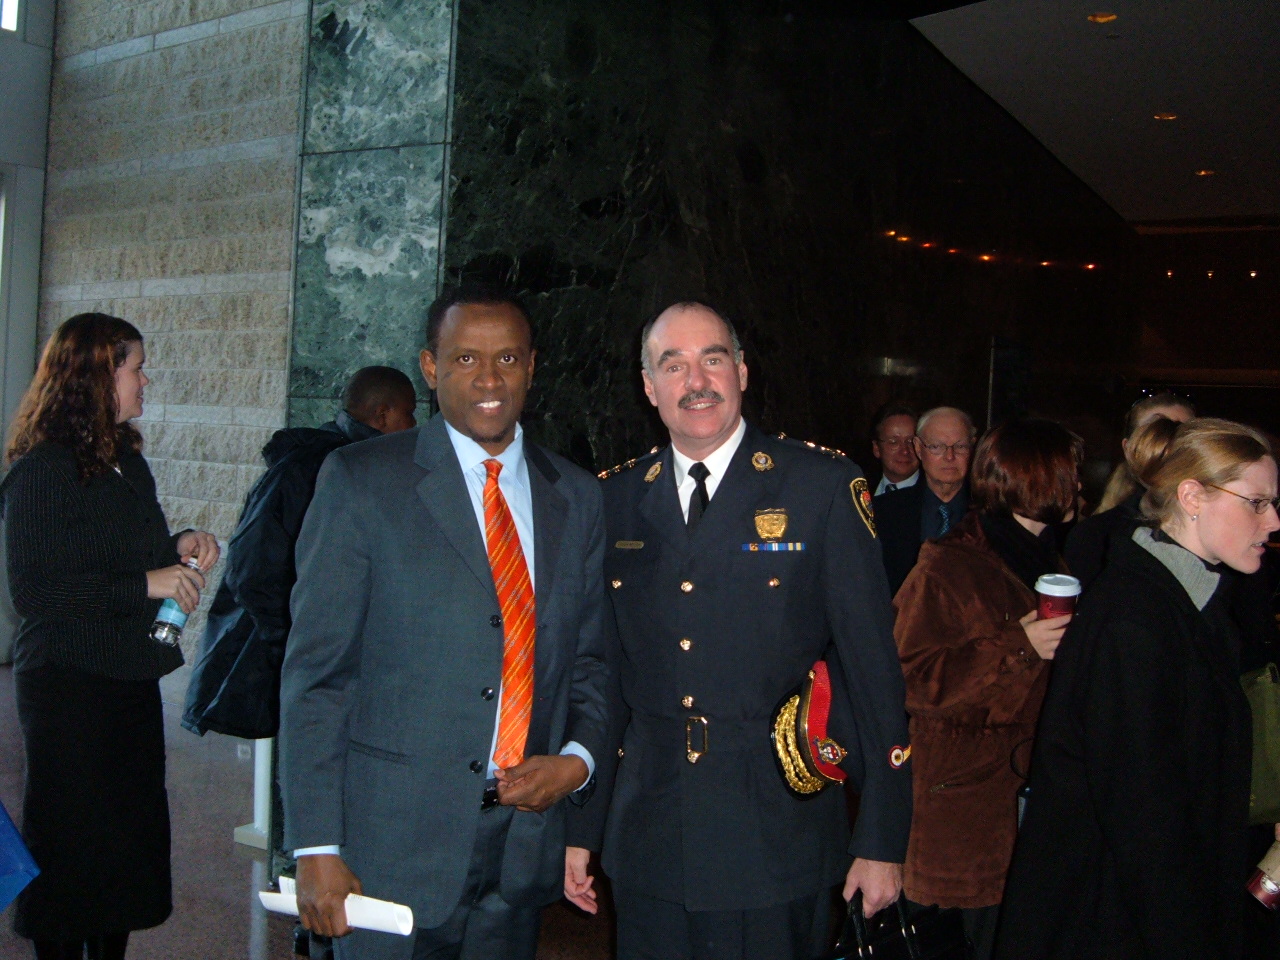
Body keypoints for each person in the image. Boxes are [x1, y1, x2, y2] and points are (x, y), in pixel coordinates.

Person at [570, 301, 912, 960]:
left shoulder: (819, 487)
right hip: (649, 838)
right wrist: (581, 826)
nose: (696, 381)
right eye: (674, 364)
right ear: (648, 387)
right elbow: (604, 679)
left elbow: (875, 673)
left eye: (713, 359)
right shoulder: (614, 500)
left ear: (743, 373)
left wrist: (880, 839)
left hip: (776, 834)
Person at [278, 285, 610, 960]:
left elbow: (594, 662)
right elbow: (319, 676)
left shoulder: (576, 496)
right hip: (387, 851)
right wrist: (315, 844)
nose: (488, 379)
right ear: (430, 368)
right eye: (465, 359)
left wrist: (575, 764)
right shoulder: (361, 481)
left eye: (508, 359)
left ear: (532, 366)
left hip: (517, 851)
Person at [996, 418, 1280, 960]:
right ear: (1192, 496)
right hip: (1110, 923)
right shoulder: (1136, 620)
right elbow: (1144, 820)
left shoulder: (1193, 601)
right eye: (1257, 502)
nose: (1272, 521)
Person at [0, 313, 220, 960]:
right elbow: (36, 595)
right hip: (69, 685)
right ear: (96, 376)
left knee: (126, 844)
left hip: (126, 676)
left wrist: (176, 546)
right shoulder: (40, 472)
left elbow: (127, 554)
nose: (145, 380)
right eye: (135, 367)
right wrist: (146, 585)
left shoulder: (125, 461)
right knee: (72, 849)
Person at [893, 419, 1082, 960]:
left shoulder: (1047, 557)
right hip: (966, 810)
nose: (1080, 488)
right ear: (1040, 480)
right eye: (1069, 475)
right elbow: (912, 678)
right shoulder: (950, 563)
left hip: (1027, 802)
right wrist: (1019, 646)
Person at [182, 366, 417, 739]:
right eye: (410, 413)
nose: (416, 425)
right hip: (310, 671)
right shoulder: (313, 467)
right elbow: (253, 569)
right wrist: (301, 647)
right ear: (384, 414)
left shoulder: (356, 464)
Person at [1065, 390, 1194, 588]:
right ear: (1130, 449)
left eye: (1182, 435)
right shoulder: (1095, 536)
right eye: (1156, 434)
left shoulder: (1217, 529)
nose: (1169, 446)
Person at [874, 406, 977, 595]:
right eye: (936, 446)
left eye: (960, 446)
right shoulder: (882, 513)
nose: (949, 456)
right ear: (919, 449)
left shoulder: (991, 514)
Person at [871, 403, 920, 496]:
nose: (905, 451)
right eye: (894, 442)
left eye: (910, 441)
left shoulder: (934, 494)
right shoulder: (858, 490)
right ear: (876, 448)